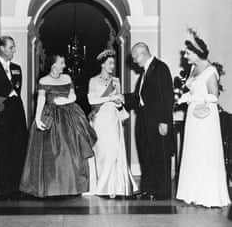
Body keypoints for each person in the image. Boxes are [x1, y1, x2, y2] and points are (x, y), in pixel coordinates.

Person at [20, 54, 97, 197]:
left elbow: (73, 96)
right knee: (51, 153)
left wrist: (64, 100)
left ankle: (71, 186)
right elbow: (41, 100)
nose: (64, 65)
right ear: (53, 65)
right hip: (51, 116)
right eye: (61, 63)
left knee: (70, 150)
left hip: (69, 115)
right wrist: (37, 117)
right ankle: (51, 187)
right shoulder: (44, 80)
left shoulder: (67, 78)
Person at [176, 30, 230, 207]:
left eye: (188, 52)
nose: (185, 55)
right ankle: (193, 192)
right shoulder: (193, 68)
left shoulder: (210, 71)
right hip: (193, 116)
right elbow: (193, 90)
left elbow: (214, 97)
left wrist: (192, 99)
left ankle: (208, 195)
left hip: (206, 117)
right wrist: (183, 98)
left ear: (197, 53)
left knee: (204, 152)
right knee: (193, 151)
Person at [124, 42, 174, 200]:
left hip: (157, 120)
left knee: (160, 154)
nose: (134, 61)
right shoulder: (145, 72)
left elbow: (167, 96)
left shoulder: (160, 68)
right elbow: (140, 98)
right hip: (144, 120)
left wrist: (164, 121)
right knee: (146, 154)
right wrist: (123, 98)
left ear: (142, 53)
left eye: (134, 57)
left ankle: (162, 192)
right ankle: (149, 189)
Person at [87, 49, 138, 198]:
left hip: (113, 119)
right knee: (101, 152)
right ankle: (101, 186)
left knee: (114, 149)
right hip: (100, 119)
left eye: (113, 63)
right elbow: (92, 101)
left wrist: (119, 102)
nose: (112, 65)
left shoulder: (116, 80)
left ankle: (113, 187)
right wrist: (110, 98)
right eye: (110, 63)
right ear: (102, 64)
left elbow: (118, 102)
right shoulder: (93, 80)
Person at [0, 36, 27, 199]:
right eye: (11, 47)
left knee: (18, 148)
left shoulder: (17, 68)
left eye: (14, 47)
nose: (14, 50)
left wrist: (8, 93)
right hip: (1, 114)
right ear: (1, 48)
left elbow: (17, 90)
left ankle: (17, 186)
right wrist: (5, 95)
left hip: (16, 112)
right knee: (4, 150)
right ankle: (5, 187)